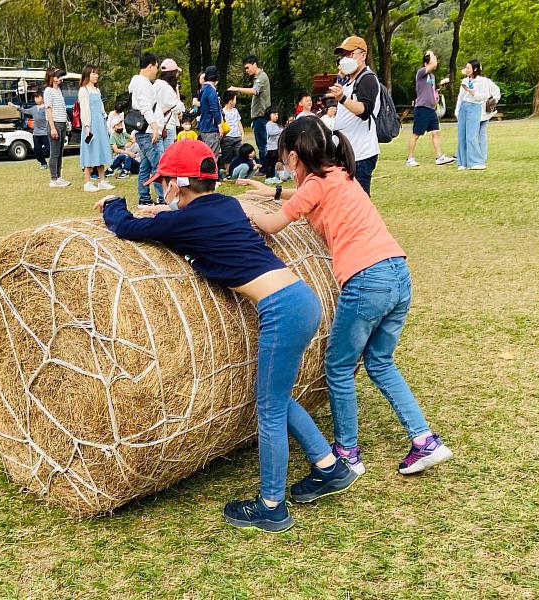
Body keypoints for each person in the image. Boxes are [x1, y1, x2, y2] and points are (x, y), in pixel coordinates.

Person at [94, 139, 358, 533]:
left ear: (178, 184)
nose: (164, 189)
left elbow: (126, 227)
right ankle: (328, 466)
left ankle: (271, 505)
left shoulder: (183, 220)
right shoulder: (227, 206)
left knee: (267, 407)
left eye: (165, 182)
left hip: (282, 309)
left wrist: (113, 203)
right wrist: (164, 214)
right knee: (276, 397)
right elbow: (186, 222)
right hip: (300, 298)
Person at [237, 117, 453, 479]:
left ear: (293, 158)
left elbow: (272, 224)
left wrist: (244, 209)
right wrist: (270, 193)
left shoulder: (316, 184)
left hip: (365, 280)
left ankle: (347, 452)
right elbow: (306, 198)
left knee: (338, 366)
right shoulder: (341, 175)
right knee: (380, 361)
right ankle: (424, 439)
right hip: (398, 274)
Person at [330, 36, 381, 194]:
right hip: (348, 152)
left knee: (359, 203)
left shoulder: (367, 79)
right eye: (344, 55)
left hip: (360, 154)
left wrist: (343, 99)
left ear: (363, 55)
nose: (346, 59)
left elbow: (365, 110)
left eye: (350, 54)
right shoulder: (350, 80)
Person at [405, 50, 455, 167]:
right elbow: (433, 64)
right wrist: (431, 53)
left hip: (431, 109)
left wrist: (436, 95)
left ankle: (439, 157)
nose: (434, 64)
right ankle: (410, 158)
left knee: (436, 132)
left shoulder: (432, 76)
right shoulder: (421, 72)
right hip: (422, 108)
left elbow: (431, 90)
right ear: (426, 63)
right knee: (416, 135)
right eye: (432, 61)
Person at [128, 53, 164, 205]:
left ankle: (144, 197)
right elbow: (145, 108)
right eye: (156, 67)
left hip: (144, 131)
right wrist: (155, 127)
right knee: (159, 165)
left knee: (145, 165)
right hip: (148, 131)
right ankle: (163, 197)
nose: (157, 71)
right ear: (150, 66)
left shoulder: (136, 82)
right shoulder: (142, 84)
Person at [228, 55, 271, 171]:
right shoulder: (258, 77)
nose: (246, 71)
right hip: (258, 116)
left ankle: (265, 169)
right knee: (261, 143)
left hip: (261, 115)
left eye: (247, 67)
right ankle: (265, 167)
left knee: (262, 144)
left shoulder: (261, 77)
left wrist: (236, 89)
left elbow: (254, 91)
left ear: (254, 64)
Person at [78, 65, 113, 192]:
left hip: (100, 123)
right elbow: (85, 110)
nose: (96, 76)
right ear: (87, 74)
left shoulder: (96, 90)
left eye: (97, 73)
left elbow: (101, 107)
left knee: (101, 150)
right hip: (91, 124)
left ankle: (102, 180)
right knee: (90, 150)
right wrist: (87, 126)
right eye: (93, 73)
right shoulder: (84, 90)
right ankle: (87, 182)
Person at [455, 59, 489, 170]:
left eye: (468, 67)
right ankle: (462, 162)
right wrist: (457, 110)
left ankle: (476, 161)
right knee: (462, 136)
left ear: (474, 69)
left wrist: (472, 91)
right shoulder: (464, 81)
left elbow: (484, 96)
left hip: (475, 106)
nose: (466, 69)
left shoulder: (482, 81)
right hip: (463, 108)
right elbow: (460, 97)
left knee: (471, 136)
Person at [44, 66, 71, 188]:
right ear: (52, 78)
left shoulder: (58, 90)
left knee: (60, 152)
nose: (60, 78)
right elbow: (49, 110)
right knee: (54, 153)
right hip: (54, 123)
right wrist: (53, 127)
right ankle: (53, 179)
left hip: (62, 122)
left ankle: (58, 176)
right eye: (58, 76)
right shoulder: (48, 91)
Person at [8, 92, 49, 169]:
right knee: (37, 150)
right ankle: (43, 163)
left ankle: (56, 163)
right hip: (36, 134)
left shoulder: (47, 108)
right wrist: (13, 106)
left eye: (38, 97)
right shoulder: (33, 109)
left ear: (43, 98)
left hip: (46, 133)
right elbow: (23, 110)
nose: (36, 99)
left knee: (50, 149)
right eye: (35, 98)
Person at [154, 59, 185, 152]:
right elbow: (177, 106)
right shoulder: (166, 88)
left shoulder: (156, 85)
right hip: (168, 125)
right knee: (167, 154)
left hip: (158, 124)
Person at [197, 66, 223, 163]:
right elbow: (214, 108)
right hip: (210, 127)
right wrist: (219, 124)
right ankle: (210, 176)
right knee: (212, 155)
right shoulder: (211, 90)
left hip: (203, 126)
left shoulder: (203, 89)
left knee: (206, 153)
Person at [478, 72, 502, 165]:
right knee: (480, 134)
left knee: (478, 133)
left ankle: (481, 155)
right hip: (482, 112)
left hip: (483, 112)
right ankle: (482, 156)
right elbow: (497, 93)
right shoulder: (486, 81)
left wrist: (492, 101)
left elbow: (496, 92)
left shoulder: (485, 82)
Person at [221, 90, 244, 171]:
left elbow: (238, 122)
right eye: (235, 99)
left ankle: (238, 170)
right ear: (231, 101)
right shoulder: (223, 112)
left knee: (239, 153)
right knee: (227, 155)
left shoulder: (235, 111)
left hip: (237, 136)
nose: (236, 101)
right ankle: (228, 171)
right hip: (227, 137)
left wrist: (242, 132)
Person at [264, 107, 283, 182]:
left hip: (276, 147)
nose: (276, 116)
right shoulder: (269, 124)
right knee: (270, 163)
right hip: (271, 148)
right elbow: (271, 133)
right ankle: (268, 177)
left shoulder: (275, 124)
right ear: (269, 115)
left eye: (277, 114)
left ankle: (274, 176)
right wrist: (280, 130)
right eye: (274, 114)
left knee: (274, 162)